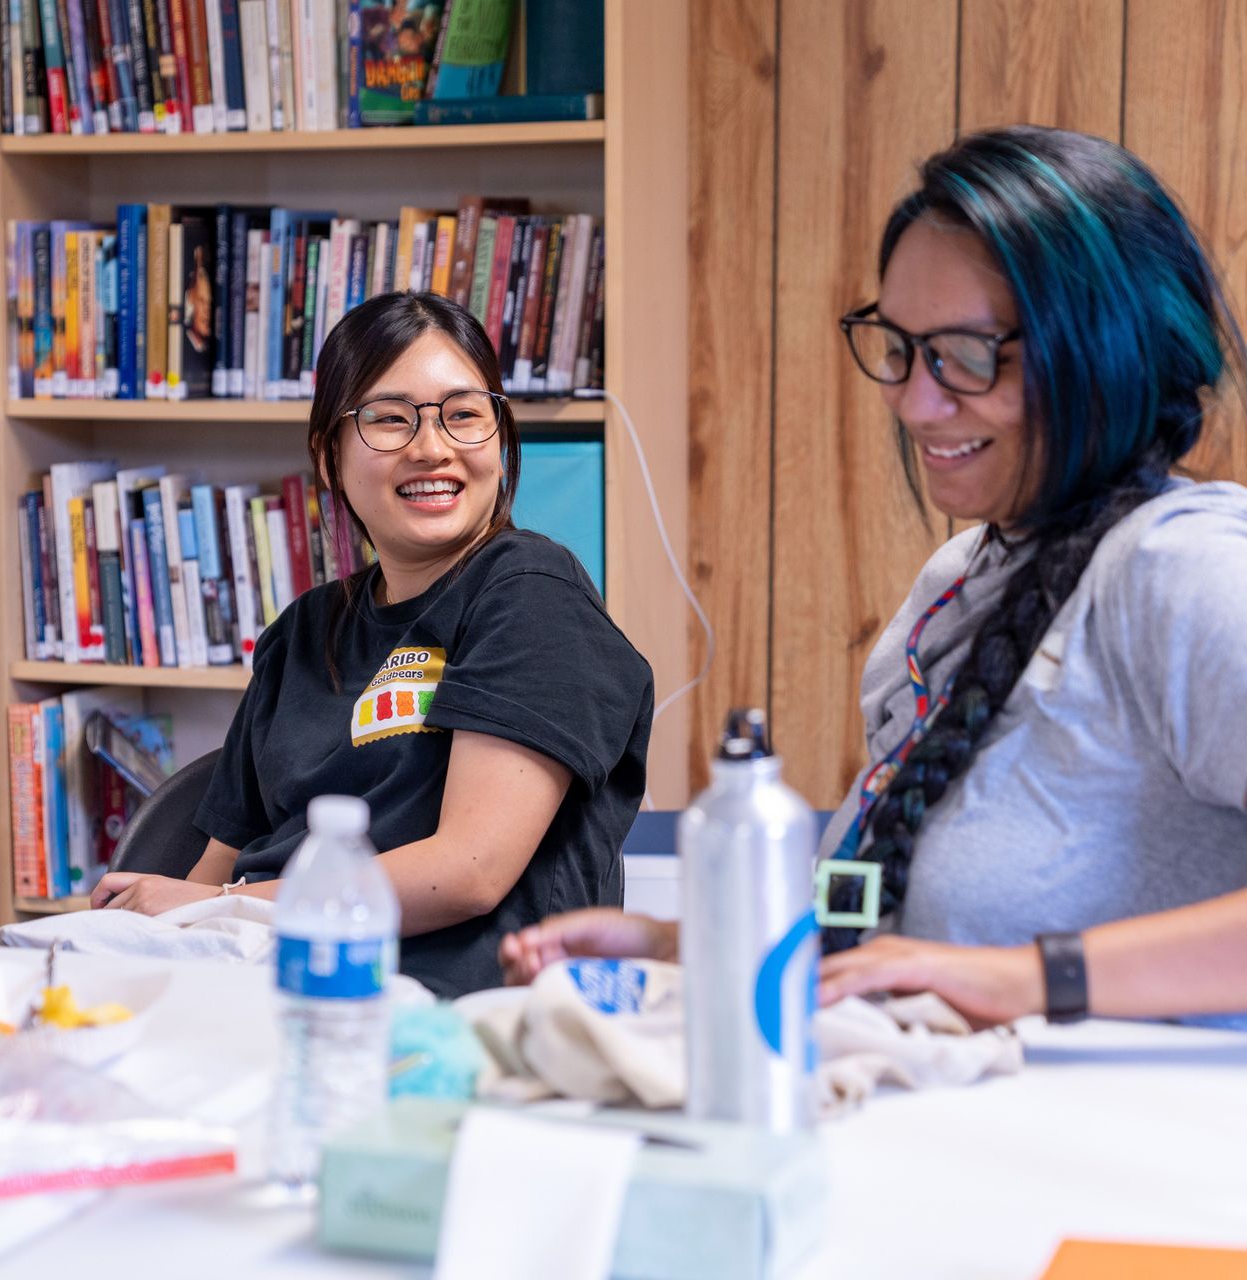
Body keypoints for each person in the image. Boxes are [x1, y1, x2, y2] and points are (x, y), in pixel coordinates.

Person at [502, 126, 1247, 1028]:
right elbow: (888, 919)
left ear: (1105, 350)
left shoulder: (1184, 570)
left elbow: (974, 967)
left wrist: (1027, 980)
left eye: (967, 356)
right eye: (899, 346)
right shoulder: (955, 580)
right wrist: (684, 943)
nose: (914, 400)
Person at [88, 291, 654, 998]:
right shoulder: (301, 632)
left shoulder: (531, 595)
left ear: (502, 442)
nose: (432, 447)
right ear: (328, 456)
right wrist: (168, 927)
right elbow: (208, 875)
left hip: (440, 1014)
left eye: (464, 415)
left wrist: (226, 905)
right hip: (260, 980)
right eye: (389, 419)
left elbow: (470, 870)